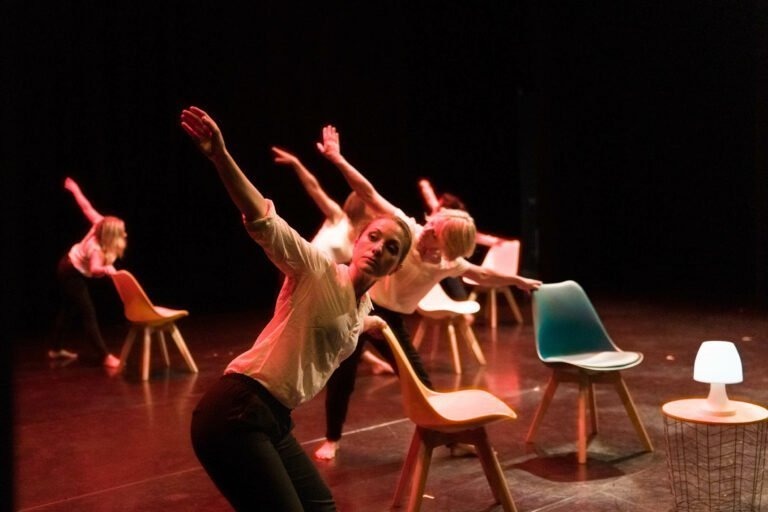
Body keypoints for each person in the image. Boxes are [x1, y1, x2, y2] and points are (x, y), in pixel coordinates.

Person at [181, 106, 413, 511]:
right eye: (374, 237)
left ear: (396, 265)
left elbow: (353, 322)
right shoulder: (318, 269)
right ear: (358, 241)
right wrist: (220, 155)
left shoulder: (362, 305)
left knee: (321, 506)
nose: (379, 248)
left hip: (273, 420)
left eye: (392, 248)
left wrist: (374, 324)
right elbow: (262, 217)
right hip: (237, 410)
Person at [313, 125, 542, 460]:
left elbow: (481, 273)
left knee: (419, 380)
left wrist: (517, 281)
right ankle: (332, 438)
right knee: (343, 375)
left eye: (441, 238)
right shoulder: (406, 228)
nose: (432, 235)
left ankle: (449, 438)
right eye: (435, 229)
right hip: (362, 306)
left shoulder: (447, 261)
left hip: (394, 318)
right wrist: (337, 158)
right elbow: (367, 192)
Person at [272, 146, 395, 375]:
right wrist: (297, 163)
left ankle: (366, 361)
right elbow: (314, 188)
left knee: (337, 327)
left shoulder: (365, 238)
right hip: (302, 272)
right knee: (291, 325)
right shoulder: (338, 217)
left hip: (325, 284)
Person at [50, 177, 125, 369]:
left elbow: (86, 207)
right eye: (122, 232)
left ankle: (55, 350)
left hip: (69, 266)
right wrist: (106, 270)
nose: (125, 235)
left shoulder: (100, 222)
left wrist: (75, 189)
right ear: (111, 236)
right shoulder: (97, 250)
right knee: (88, 312)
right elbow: (94, 270)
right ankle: (105, 356)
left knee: (68, 310)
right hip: (70, 271)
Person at [418, 178, 504, 301]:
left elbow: (477, 237)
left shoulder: (449, 223)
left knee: (451, 277)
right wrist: (425, 186)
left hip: (441, 263)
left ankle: (460, 305)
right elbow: (430, 197)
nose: (438, 209)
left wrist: (495, 241)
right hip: (426, 263)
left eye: (441, 208)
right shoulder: (438, 212)